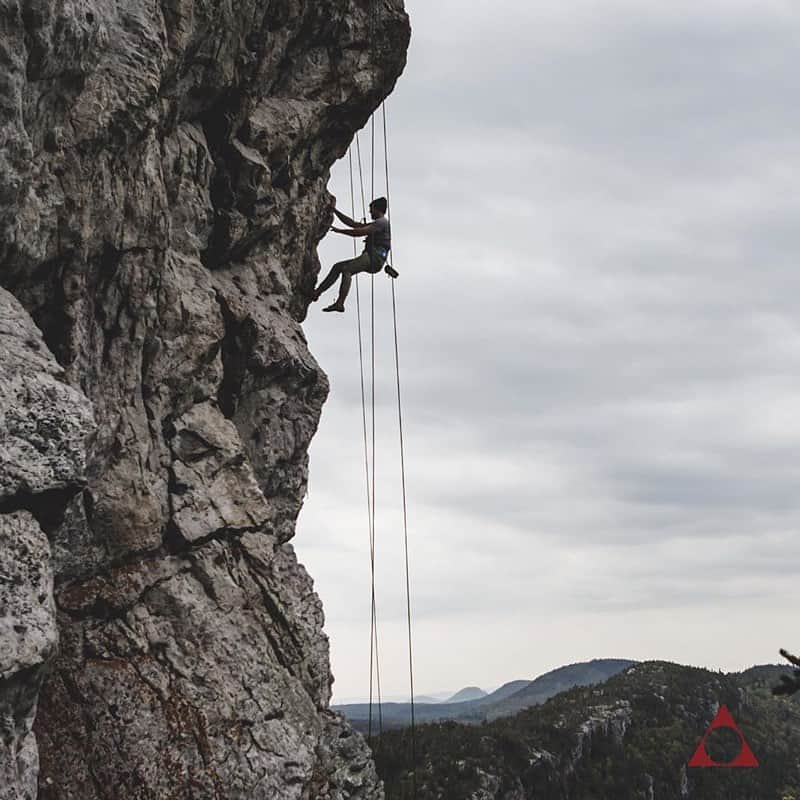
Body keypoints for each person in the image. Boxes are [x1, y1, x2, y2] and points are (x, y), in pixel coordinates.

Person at [312, 196, 392, 312]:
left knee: (347, 270)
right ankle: (317, 293)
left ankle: (340, 303)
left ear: (377, 209)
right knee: (337, 267)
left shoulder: (381, 223)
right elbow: (353, 224)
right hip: (372, 256)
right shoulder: (379, 223)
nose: (369, 212)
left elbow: (358, 232)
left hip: (375, 257)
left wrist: (340, 231)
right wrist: (335, 211)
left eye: (371, 209)